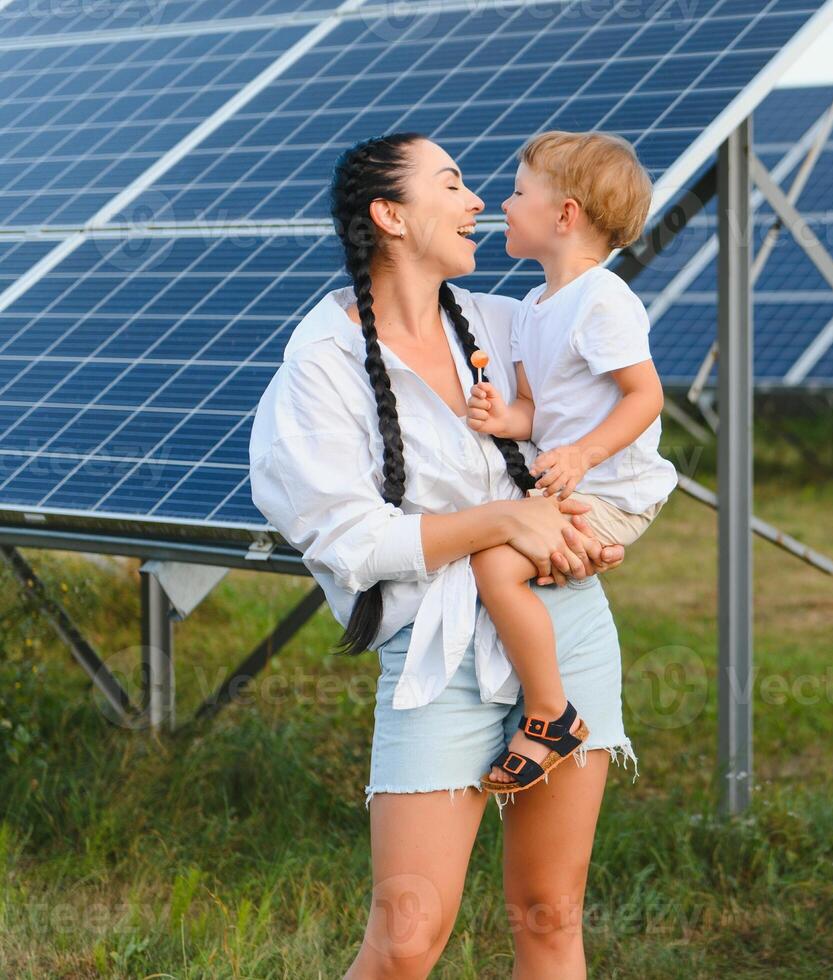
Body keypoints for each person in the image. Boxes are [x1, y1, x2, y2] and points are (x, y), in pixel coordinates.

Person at [249, 131, 636, 978]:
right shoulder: (321, 364)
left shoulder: (510, 322)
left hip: (564, 631)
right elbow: (348, 539)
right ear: (389, 215)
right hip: (436, 651)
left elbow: (608, 432)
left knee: (549, 913)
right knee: (405, 938)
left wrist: (581, 533)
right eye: (453, 183)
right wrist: (504, 522)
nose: (478, 202)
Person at [466, 131, 678, 794]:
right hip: (570, 488)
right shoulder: (532, 308)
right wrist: (505, 420)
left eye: (519, 192)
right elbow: (536, 406)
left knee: (495, 566)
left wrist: (585, 453)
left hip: (616, 492)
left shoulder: (603, 300)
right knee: (504, 553)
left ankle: (550, 715)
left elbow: (645, 395)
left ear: (564, 216)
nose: (502, 203)